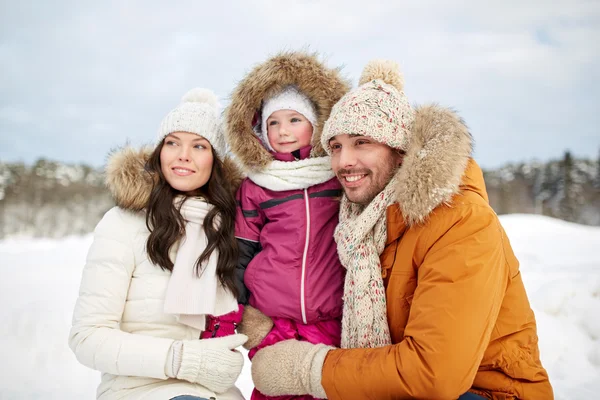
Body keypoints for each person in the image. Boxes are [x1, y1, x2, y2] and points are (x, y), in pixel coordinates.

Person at [248, 60, 554, 399]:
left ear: (399, 149)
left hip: (485, 393)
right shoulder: (359, 227)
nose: (344, 162)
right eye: (335, 146)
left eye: (362, 142)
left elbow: (434, 374)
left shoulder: (460, 220)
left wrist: (309, 369)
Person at [68, 88, 248, 400]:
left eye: (199, 146)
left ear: (215, 161)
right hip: (139, 390)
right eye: (172, 143)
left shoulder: (230, 230)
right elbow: (87, 337)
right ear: (159, 152)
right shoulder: (124, 223)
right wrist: (182, 359)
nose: (183, 155)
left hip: (217, 394)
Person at [225, 51, 349, 400]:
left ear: (316, 123)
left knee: (331, 390)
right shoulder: (258, 183)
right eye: (273, 123)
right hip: (273, 319)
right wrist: (244, 314)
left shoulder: (337, 175)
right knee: (277, 391)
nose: (283, 131)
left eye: (294, 120)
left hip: (333, 317)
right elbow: (241, 252)